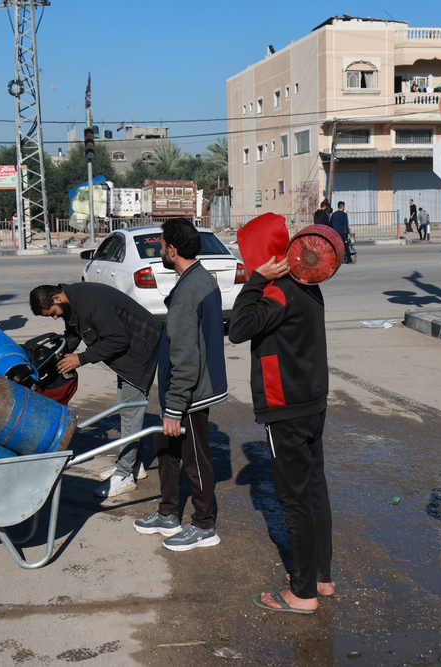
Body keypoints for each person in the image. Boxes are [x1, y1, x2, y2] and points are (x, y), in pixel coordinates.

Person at [229, 217, 334, 615]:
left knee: (294, 500)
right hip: (312, 404)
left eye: (248, 256)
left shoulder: (275, 293)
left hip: (285, 408)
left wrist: (255, 280)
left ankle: (302, 593)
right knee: (314, 490)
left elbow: (238, 329)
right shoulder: (309, 284)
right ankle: (320, 577)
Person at [133, 218, 228, 551]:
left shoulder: (189, 292)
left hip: (191, 392)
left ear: (172, 251)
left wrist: (174, 407)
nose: (159, 249)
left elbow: (186, 357)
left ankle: (204, 525)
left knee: (195, 458)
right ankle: (168, 512)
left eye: (160, 245)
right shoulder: (199, 278)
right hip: (187, 389)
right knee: (166, 448)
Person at [29, 282, 162, 496]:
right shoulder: (72, 300)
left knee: (130, 410)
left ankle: (125, 474)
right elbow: (74, 331)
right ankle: (134, 464)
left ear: (56, 298)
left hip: (140, 346)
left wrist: (81, 359)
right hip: (130, 347)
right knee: (127, 409)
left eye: (52, 313)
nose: (54, 317)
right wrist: (62, 353)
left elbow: (118, 340)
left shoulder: (90, 303)